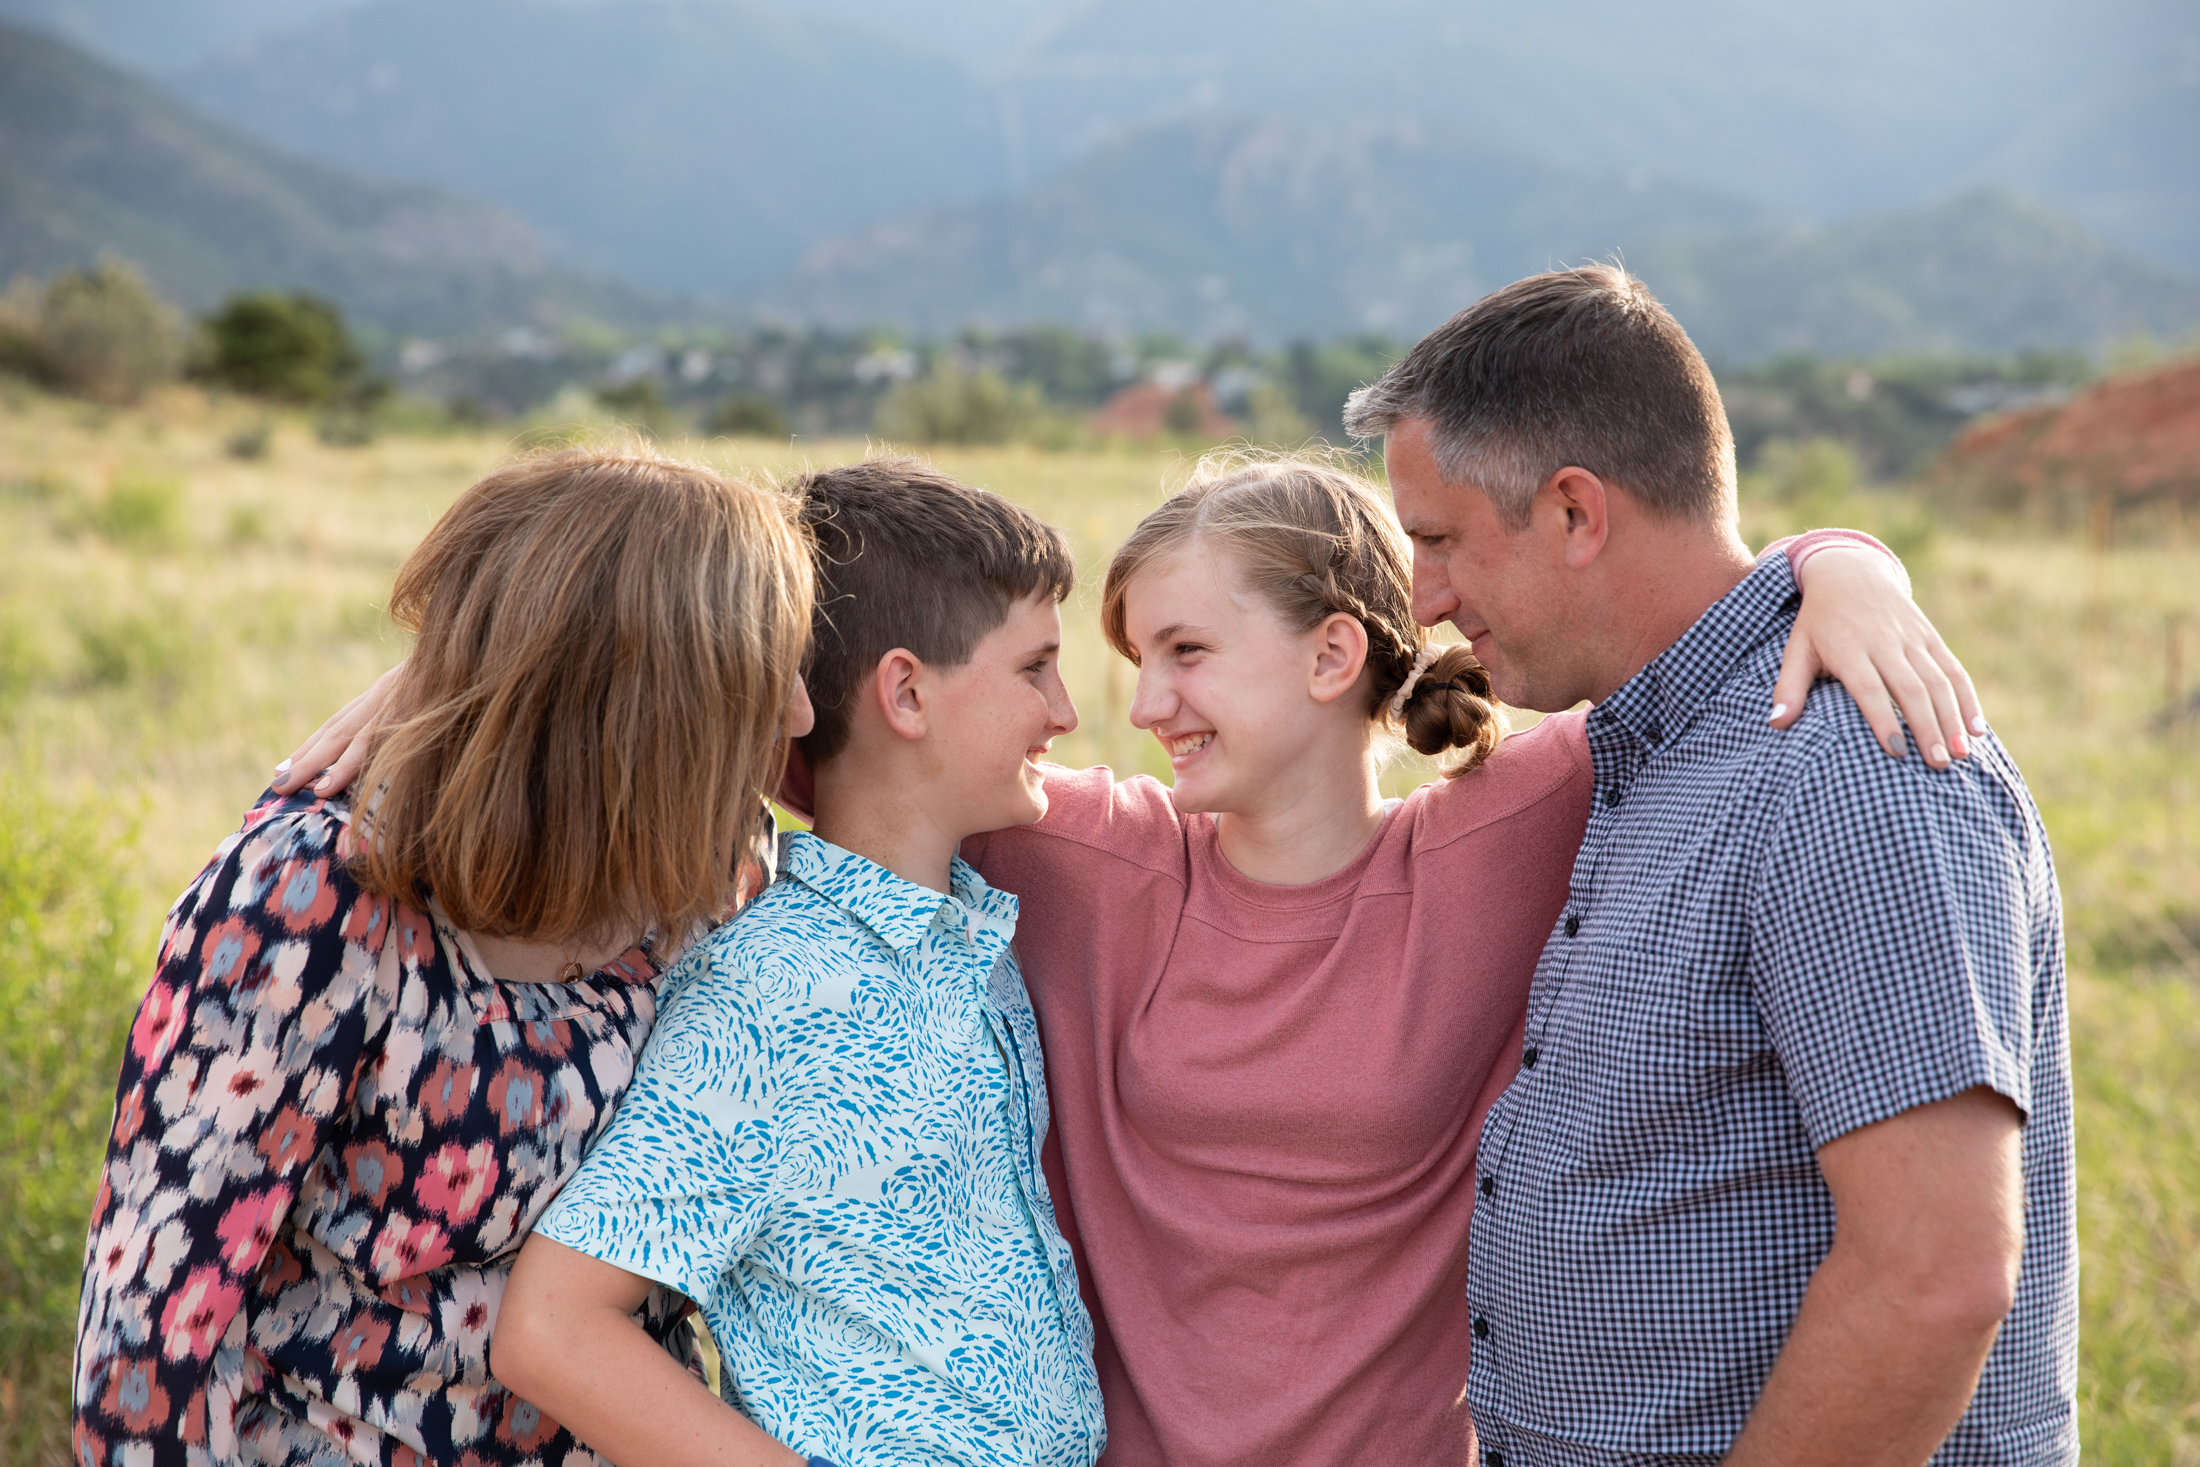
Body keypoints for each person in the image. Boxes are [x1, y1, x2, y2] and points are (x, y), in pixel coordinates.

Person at [279, 454, 1974, 1466]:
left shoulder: (1488, 840)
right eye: (1090, 657)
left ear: (1332, 654)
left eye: (1180, 651)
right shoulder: (1060, 855)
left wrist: (1847, 563)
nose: (1121, 704)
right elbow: (819, 650)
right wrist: (460, 689)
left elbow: (1674, 634)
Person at [1346, 263, 2073, 1466]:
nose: (1423, 600)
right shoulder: (1652, 749)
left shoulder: (1848, 773)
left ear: (1576, 514)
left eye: (1439, 540)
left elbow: (1934, 1275)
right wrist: (1837, 554)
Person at [74, 442, 814, 1467]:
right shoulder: (316, 894)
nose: (800, 717)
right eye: (765, 676)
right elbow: (155, 1329)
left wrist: (467, 669)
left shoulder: (712, 875)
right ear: (651, 698)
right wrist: (483, 667)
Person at [487, 459, 1108, 1467]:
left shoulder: (974, 942)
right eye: (1035, 668)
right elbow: (554, 1328)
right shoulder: (775, 994)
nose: (1066, 712)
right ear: (904, 692)